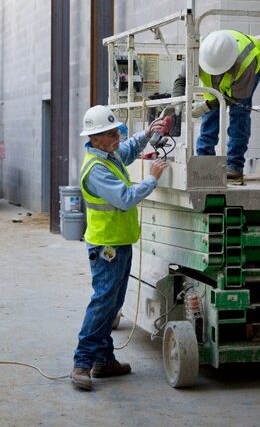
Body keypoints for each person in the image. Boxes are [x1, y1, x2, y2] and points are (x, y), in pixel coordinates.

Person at [71, 105, 169, 391]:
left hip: (118, 243)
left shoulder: (108, 156)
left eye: (117, 131)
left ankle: (103, 361)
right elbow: (125, 198)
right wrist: (151, 178)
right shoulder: (96, 169)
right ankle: (82, 363)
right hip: (107, 246)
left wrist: (147, 133)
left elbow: (126, 152)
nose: (117, 136)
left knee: (112, 303)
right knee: (103, 303)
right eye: (112, 133)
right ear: (96, 138)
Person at [173, 29, 260, 184]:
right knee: (210, 117)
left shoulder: (246, 64)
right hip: (219, 75)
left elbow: (236, 98)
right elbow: (181, 80)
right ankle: (205, 162)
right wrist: (176, 102)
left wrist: (205, 106)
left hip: (252, 66)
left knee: (239, 115)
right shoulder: (198, 52)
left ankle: (235, 166)